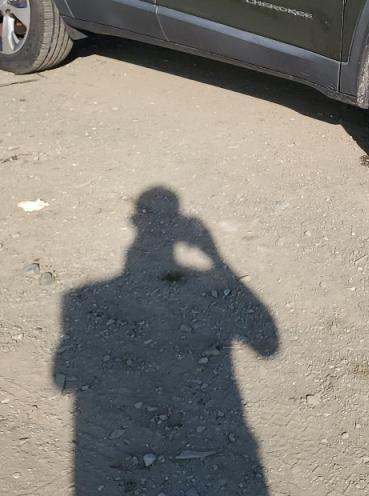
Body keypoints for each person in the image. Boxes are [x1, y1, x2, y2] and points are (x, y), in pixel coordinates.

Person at [53, 187, 279, 495]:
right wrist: (216, 257)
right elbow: (268, 344)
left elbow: (62, 376)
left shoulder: (82, 297)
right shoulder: (86, 297)